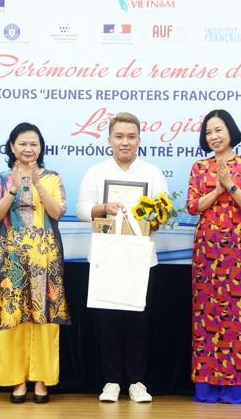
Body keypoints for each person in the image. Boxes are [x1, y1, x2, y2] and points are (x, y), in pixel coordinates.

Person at [76, 111, 168, 403]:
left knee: (139, 323)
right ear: (109, 140)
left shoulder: (152, 173)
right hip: (106, 257)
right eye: (119, 136)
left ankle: (138, 382)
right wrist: (103, 207)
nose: (125, 142)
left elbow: (162, 214)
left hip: (142, 259)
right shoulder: (96, 172)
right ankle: (112, 381)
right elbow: (80, 210)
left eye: (131, 136)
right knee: (108, 322)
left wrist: (151, 218)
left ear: (139, 140)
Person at [0, 122, 70, 404]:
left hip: (45, 258)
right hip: (11, 258)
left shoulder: (53, 177)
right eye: (22, 143)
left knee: (44, 318)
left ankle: (42, 380)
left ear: (41, 147)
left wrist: (36, 183)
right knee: (13, 317)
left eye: (34, 143)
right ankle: (17, 381)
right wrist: (13, 188)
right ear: (12, 147)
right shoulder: (1, 178)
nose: (28, 148)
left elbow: (57, 213)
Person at [185, 109, 241, 404]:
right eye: (208, 132)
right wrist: (217, 189)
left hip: (238, 248)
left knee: (238, 315)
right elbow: (193, 206)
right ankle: (206, 386)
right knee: (206, 314)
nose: (214, 137)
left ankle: (236, 387)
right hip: (207, 246)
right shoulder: (199, 166)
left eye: (218, 130)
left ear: (230, 131)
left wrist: (230, 183)